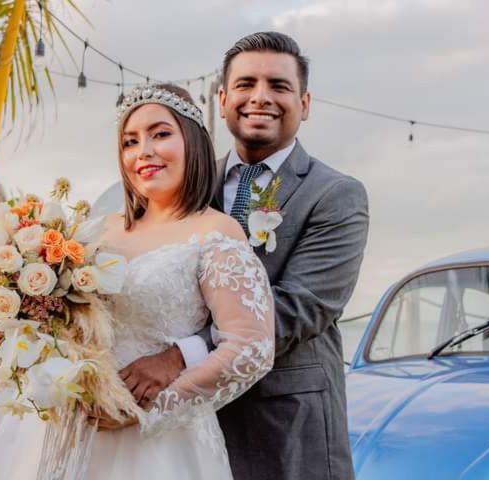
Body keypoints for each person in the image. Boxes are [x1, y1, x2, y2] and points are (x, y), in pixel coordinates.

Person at [0, 83, 275, 480]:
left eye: (160, 134)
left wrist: (146, 409)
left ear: (193, 141)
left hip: (157, 446)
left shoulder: (216, 232)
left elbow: (250, 348)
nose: (144, 152)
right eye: (130, 141)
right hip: (70, 429)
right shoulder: (95, 231)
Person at [121, 32, 369, 480]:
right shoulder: (185, 188)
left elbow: (301, 308)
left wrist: (178, 356)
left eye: (279, 86)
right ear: (221, 99)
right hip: (184, 429)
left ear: (305, 103)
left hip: (285, 425)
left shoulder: (335, 195)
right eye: (245, 84)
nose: (260, 97)